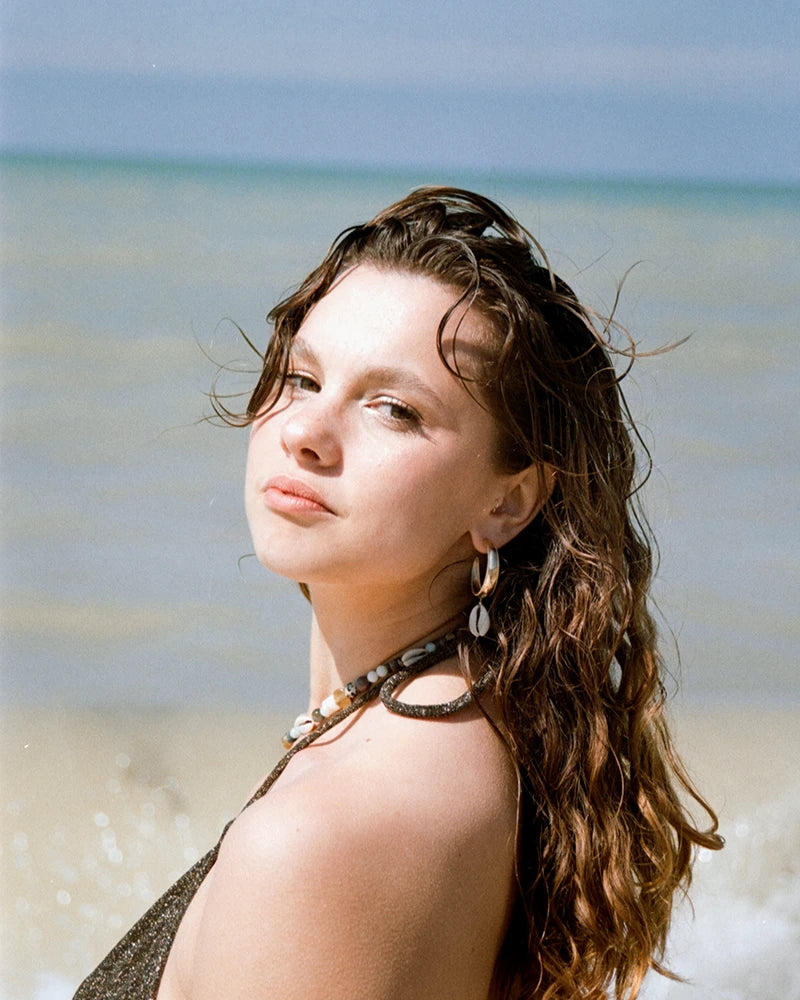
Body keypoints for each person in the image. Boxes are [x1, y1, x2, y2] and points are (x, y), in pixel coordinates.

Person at [74, 186, 722, 1000]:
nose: (304, 432)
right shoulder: (473, 729)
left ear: (507, 501)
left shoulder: (326, 836)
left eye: (394, 409)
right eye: (303, 377)